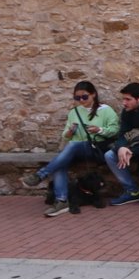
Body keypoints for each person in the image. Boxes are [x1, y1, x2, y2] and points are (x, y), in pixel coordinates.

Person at [25, 81, 120, 217]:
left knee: (71, 148)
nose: (81, 100)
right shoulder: (74, 112)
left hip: (95, 148)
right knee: (61, 160)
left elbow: (115, 130)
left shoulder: (105, 110)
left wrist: (99, 130)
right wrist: (69, 132)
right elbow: (65, 135)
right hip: (75, 148)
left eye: (84, 97)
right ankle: (61, 200)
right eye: (77, 98)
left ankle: (41, 175)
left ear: (93, 94)